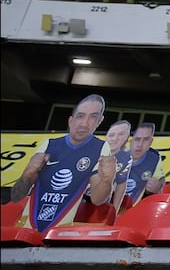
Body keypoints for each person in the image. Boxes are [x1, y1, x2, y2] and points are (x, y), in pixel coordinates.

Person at [8, 94, 118, 232]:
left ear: (99, 121)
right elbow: (16, 196)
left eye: (93, 117)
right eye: (80, 116)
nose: (84, 123)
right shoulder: (48, 144)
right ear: (70, 120)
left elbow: (97, 200)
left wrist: (107, 180)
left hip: (60, 233)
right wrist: (27, 173)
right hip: (26, 230)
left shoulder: (101, 148)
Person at [114, 121, 165, 209]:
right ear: (130, 140)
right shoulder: (115, 155)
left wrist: (158, 185)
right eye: (137, 139)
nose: (140, 145)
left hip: (136, 211)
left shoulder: (154, 158)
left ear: (151, 141)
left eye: (146, 140)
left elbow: (161, 180)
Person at [103, 120, 132, 207]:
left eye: (121, 135)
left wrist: (114, 211)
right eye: (112, 135)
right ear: (106, 137)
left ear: (127, 138)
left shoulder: (126, 157)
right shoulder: (93, 151)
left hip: (101, 203)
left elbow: (121, 183)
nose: (115, 138)